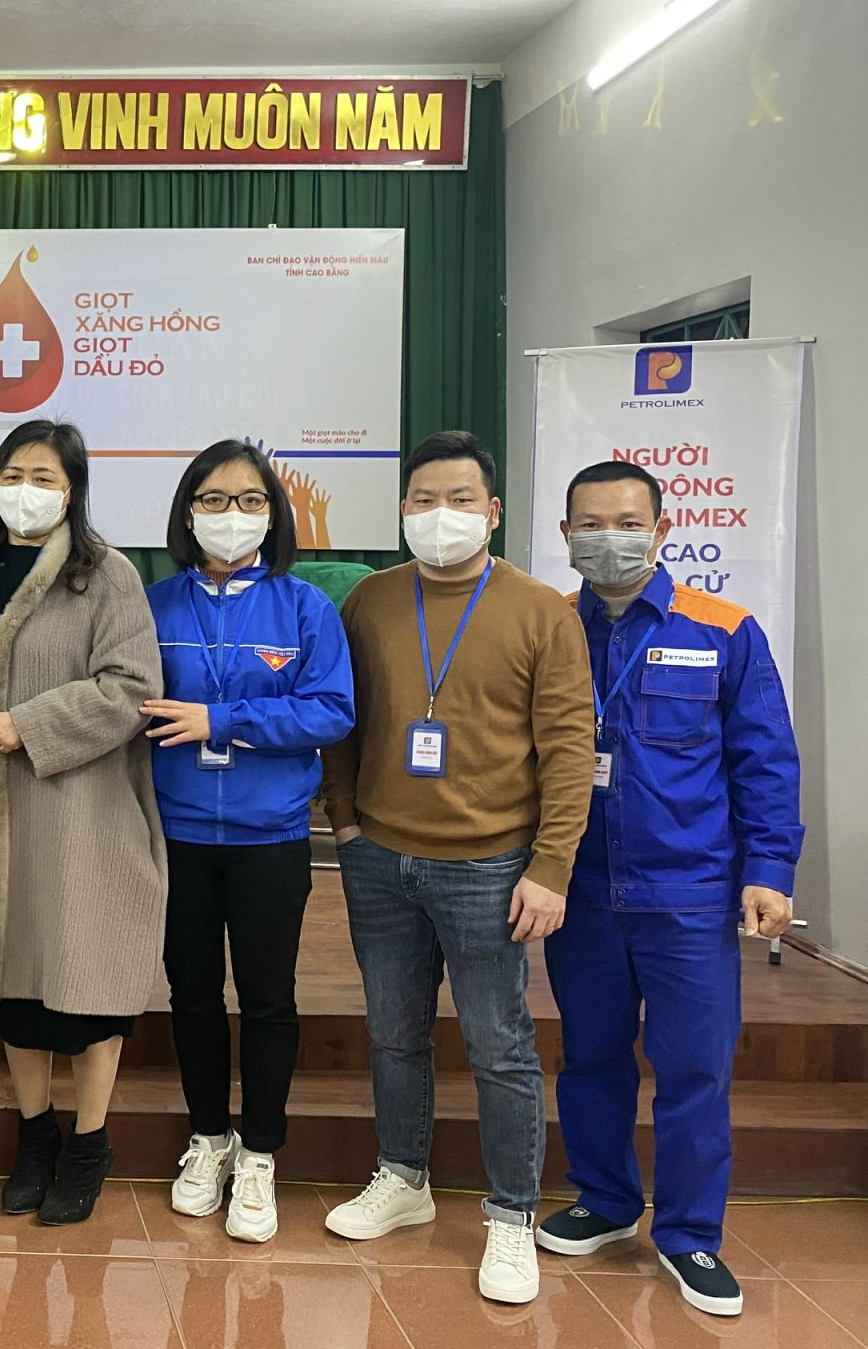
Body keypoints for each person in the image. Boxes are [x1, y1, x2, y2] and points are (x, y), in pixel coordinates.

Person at [319, 429, 594, 1304]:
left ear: (494, 511)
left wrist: (551, 865)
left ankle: (511, 1215)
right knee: (393, 1032)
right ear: (403, 510)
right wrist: (346, 820)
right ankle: (403, 1176)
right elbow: (343, 723)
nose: (442, 516)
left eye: (461, 500)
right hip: (379, 857)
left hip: (490, 866)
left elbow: (568, 748)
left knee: (499, 1046)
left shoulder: (540, 610)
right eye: (424, 500)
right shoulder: (370, 601)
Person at [535, 460, 802, 1317]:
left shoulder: (723, 629)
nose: (607, 538)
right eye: (589, 524)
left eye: (626, 522)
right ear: (565, 533)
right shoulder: (549, 627)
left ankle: (689, 1235)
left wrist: (769, 871)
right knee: (591, 1056)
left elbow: (765, 759)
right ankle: (606, 1199)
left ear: (661, 530)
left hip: (688, 893)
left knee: (694, 1069)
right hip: (581, 890)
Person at [0, 419, 168, 1227]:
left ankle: (90, 1143)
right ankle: (35, 1137)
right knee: (16, 987)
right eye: (13, 475)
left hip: (78, 813)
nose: (25, 492)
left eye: (44, 478)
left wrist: (29, 724)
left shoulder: (107, 575)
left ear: (72, 491)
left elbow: (131, 688)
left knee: (86, 987)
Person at [143, 440, 355, 1243]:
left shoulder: (305, 608)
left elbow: (331, 711)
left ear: (273, 514)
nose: (231, 515)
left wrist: (223, 719)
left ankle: (261, 1152)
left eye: (250, 500)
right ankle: (209, 1138)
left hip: (271, 836)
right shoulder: (154, 605)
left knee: (268, 997)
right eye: (213, 499)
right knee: (192, 994)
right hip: (177, 832)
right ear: (186, 511)